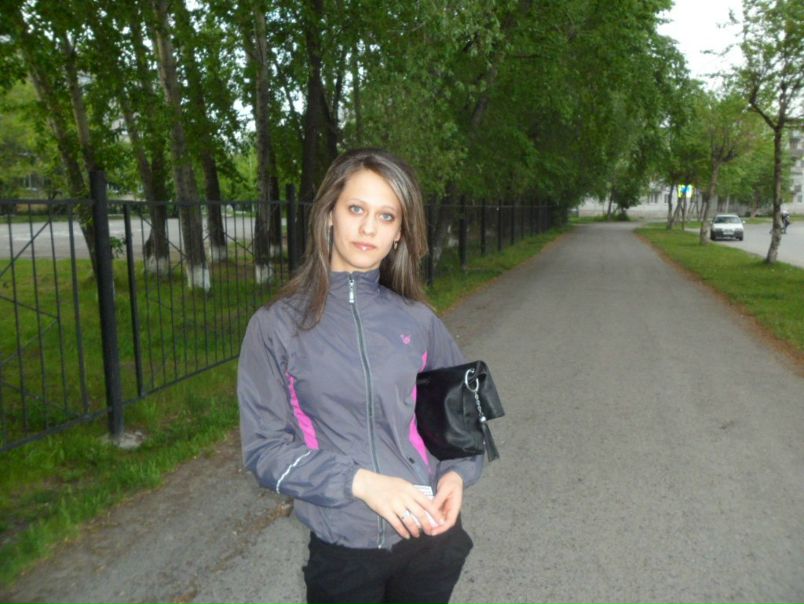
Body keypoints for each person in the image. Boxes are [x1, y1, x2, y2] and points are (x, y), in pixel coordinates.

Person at [237, 148, 483, 604]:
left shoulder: (418, 320)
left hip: (429, 539)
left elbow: (461, 417)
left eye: (386, 216)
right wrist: (362, 482)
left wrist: (455, 476)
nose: (369, 228)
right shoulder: (276, 327)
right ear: (329, 213)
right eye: (356, 209)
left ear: (399, 233)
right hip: (344, 552)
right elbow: (264, 452)